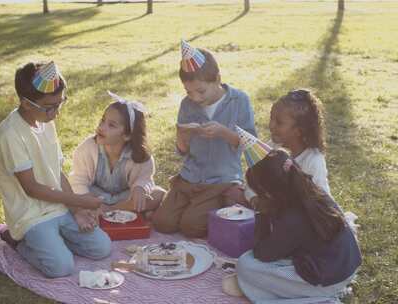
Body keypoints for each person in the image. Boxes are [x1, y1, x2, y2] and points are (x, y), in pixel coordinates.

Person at [0, 61, 111, 278]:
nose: (56, 113)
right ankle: (17, 241)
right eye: (50, 107)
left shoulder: (45, 120)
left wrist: (77, 211)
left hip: (58, 208)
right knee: (61, 268)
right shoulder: (10, 134)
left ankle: (54, 241)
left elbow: (56, 172)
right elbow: (31, 189)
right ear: (27, 104)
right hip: (30, 215)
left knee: (102, 248)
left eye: (60, 103)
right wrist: (81, 201)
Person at [152, 40, 257, 238]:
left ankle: (220, 203)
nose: (196, 98)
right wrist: (182, 136)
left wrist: (223, 132)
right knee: (162, 223)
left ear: (217, 79)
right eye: (189, 92)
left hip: (220, 180)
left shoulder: (239, 100)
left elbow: (251, 144)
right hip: (189, 177)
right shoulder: (187, 105)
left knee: (191, 227)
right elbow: (182, 151)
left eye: (201, 91)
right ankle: (188, 204)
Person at [227, 149, 361, 303]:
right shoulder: (309, 191)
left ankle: (321, 298)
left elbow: (262, 253)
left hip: (329, 280)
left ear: (268, 193)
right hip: (340, 264)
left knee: (246, 264)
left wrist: (260, 212)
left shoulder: (294, 217)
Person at [69, 92, 165, 216]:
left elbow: (145, 178)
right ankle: (112, 211)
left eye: (111, 125)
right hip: (96, 197)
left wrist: (139, 187)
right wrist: (88, 201)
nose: (102, 127)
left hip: (124, 198)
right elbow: (78, 180)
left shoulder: (139, 155)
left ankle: (110, 211)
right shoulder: (87, 148)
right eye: (102, 120)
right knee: (69, 194)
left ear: (127, 135)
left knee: (158, 194)